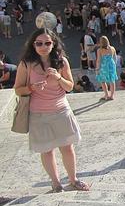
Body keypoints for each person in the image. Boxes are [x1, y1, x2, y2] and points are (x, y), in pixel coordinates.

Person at [13, 28, 90, 192]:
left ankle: (73, 180)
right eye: (39, 43)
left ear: (53, 44)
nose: (43, 46)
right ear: (33, 45)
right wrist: (32, 87)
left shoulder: (62, 61)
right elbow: (18, 90)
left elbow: (69, 87)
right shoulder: (26, 64)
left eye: (47, 43)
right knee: (47, 150)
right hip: (38, 114)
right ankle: (55, 183)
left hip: (61, 110)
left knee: (67, 147)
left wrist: (58, 77)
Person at [95, 36, 117, 101]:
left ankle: (106, 94)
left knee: (102, 80)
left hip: (104, 66)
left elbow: (99, 60)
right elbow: (115, 58)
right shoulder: (112, 48)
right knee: (112, 80)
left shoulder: (99, 50)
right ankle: (112, 95)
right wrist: (114, 65)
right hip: (111, 65)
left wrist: (97, 68)